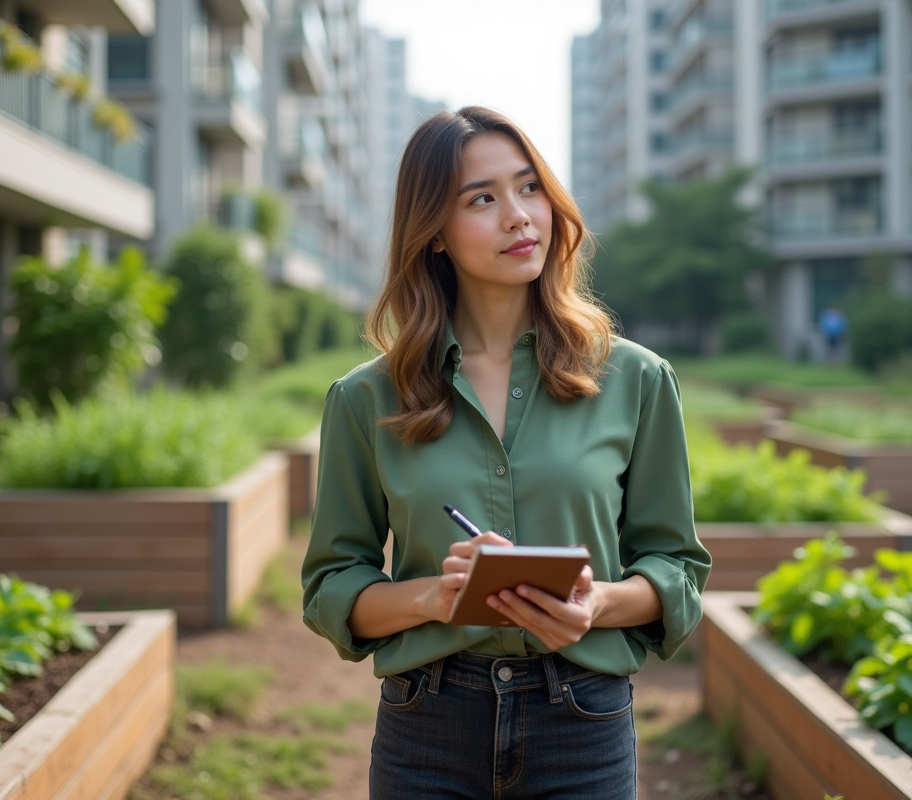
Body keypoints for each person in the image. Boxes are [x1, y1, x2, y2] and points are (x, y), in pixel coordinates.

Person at [301, 106, 711, 800]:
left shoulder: (637, 380)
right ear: (433, 232)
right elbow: (332, 587)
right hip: (425, 723)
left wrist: (597, 603)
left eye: (529, 188)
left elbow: (677, 570)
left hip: (582, 720)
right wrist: (434, 596)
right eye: (482, 199)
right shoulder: (364, 399)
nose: (519, 216)